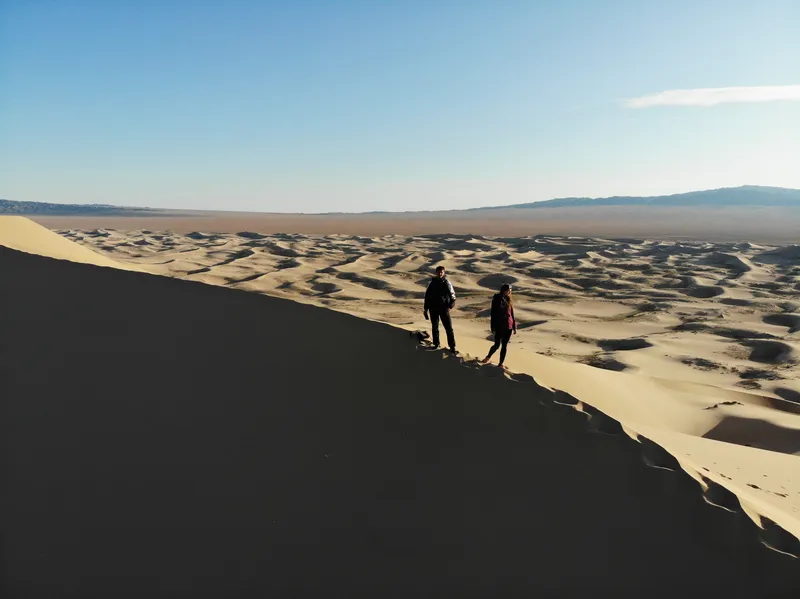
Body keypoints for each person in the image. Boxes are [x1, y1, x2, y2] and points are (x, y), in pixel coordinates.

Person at [423, 265, 457, 353]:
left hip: (443, 309)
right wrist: (426, 308)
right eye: (438, 272)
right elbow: (427, 296)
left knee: (449, 328)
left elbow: (453, 296)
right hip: (433, 309)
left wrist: (450, 306)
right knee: (435, 327)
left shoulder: (447, 283)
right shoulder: (432, 283)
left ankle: (452, 347)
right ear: (436, 272)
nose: (440, 274)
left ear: (444, 273)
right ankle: (436, 344)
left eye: (441, 272)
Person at [482, 283, 516, 368]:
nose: (509, 292)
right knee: (497, 345)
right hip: (499, 325)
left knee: (504, 345)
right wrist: (493, 327)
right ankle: (488, 357)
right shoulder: (497, 299)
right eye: (508, 290)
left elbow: (511, 313)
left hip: (509, 326)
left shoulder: (509, 299)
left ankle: (501, 364)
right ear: (503, 290)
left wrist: (514, 326)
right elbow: (493, 314)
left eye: (510, 290)